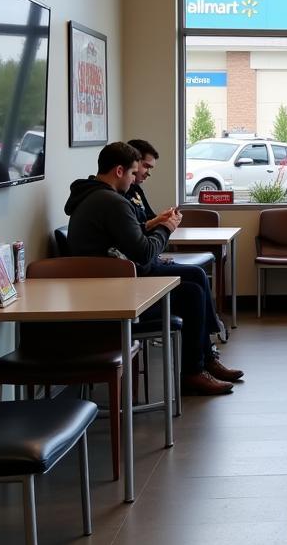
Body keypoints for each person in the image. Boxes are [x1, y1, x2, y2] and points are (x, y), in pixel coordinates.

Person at [65, 141, 243, 396]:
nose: (134, 180)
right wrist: (166, 228)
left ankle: (205, 359)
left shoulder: (91, 196)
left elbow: (131, 238)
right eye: (132, 173)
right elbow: (145, 251)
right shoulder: (112, 202)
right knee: (192, 292)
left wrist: (156, 226)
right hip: (117, 293)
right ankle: (193, 372)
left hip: (108, 284)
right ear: (119, 171)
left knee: (195, 277)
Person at [125, 136, 227, 338]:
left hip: (147, 260)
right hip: (140, 268)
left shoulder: (135, 191)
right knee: (195, 284)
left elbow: (145, 223)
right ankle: (209, 340)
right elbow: (137, 236)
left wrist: (161, 220)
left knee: (197, 275)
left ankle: (209, 344)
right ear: (132, 163)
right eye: (145, 166)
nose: (147, 173)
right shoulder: (117, 200)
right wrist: (164, 226)